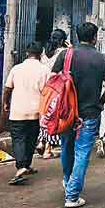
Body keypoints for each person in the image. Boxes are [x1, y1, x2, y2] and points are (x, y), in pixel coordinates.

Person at [52, 22, 105, 208]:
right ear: (95, 37)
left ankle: (67, 180)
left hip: (66, 112)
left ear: (77, 35)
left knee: (66, 147)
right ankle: (71, 196)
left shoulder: (66, 54)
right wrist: (101, 102)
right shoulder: (103, 59)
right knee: (82, 153)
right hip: (89, 113)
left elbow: (53, 80)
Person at [3, 41, 48, 186]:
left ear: (27, 53)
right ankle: (26, 165)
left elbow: (8, 88)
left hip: (18, 111)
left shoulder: (17, 69)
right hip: (36, 111)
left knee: (19, 139)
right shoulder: (45, 70)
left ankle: (21, 166)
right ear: (41, 54)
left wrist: (6, 102)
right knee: (31, 139)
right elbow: (47, 92)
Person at [36, 29, 68, 159]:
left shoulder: (44, 51)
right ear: (62, 40)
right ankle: (48, 149)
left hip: (44, 87)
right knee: (52, 117)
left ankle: (41, 142)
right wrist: (70, 47)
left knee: (43, 116)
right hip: (56, 88)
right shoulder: (62, 52)